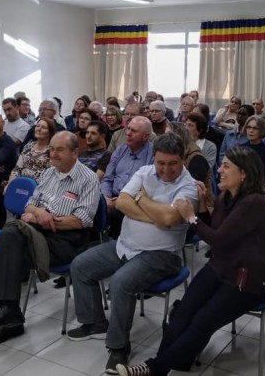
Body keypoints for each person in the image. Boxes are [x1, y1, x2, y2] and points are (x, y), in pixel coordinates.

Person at [115, 147, 265, 376]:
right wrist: (202, 205)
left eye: (226, 166)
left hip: (249, 277)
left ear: (243, 173)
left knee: (203, 321)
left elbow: (219, 239)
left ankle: (153, 369)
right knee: (183, 311)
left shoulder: (254, 202)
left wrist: (190, 216)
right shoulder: (227, 196)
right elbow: (214, 229)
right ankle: (166, 364)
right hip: (223, 264)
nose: (219, 170)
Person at [69, 134, 198, 374]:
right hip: (125, 246)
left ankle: (119, 346)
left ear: (182, 160)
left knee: (120, 282)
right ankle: (94, 322)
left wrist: (141, 199)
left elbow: (170, 219)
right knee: (80, 266)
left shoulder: (188, 186)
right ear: (155, 159)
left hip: (162, 255)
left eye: (173, 163)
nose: (166, 169)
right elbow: (121, 204)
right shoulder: (145, 172)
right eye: (161, 163)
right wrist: (154, 212)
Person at [0, 131, 100, 345]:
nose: (54, 154)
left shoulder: (87, 179)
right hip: (37, 232)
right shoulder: (49, 173)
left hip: (66, 240)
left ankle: (10, 315)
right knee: (10, 239)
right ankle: (9, 313)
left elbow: (82, 220)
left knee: (8, 242)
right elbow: (30, 203)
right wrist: (39, 214)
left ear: (75, 152)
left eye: (60, 149)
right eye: (52, 149)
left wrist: (45, 219)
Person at [101, 116, 155, 238]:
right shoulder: (120, 150)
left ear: (145, 137)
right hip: (111, 198)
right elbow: (107, 178)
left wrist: (120, 201)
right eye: (128, 129)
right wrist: (106, 197)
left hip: (134, 202)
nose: (128, 133)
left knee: (116, 214)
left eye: (134, 131)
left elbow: (146, 188)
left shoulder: (152, 154)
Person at [8, 117, 55, 184]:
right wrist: (10, 184)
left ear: (50, 133)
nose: (39, 129)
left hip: (40, 187)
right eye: (37, 126)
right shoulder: (28, 145)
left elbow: (52, 175)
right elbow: (17, 169)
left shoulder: (53, 150)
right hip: (21, 184)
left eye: (43, 127)